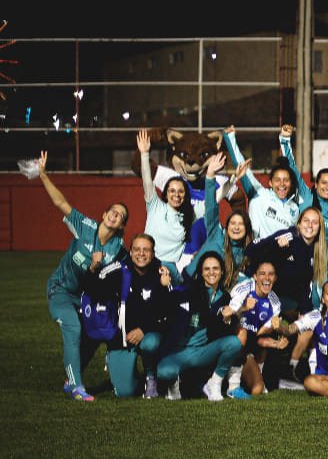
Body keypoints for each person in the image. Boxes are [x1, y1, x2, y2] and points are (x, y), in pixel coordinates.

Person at [38, 151, 130, 401]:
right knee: (73, 329)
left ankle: (72, 378)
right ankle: (76, 386)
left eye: (121, 215)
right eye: (113, 211)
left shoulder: (118, 250)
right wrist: (43, 175)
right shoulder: (84, 225)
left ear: (121, 226)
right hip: (62, 292)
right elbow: (60, 202)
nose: (115, 214)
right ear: (104, 215)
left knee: (92, 334)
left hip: (86, 298)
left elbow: (129, 273)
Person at [81, 234, 176, 398]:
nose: (141, 254)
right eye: (137, 249)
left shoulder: (161, 273)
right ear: (130, 252)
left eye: (146, 250)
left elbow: (168, 311)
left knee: (150, 344)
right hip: (122, 339)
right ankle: (125, 370)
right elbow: (92, 288)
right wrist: (92, 268)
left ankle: (151, 377)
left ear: (153, 253)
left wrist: (143, 329)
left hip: (148, 334)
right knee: (126, 392)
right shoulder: (118, 270)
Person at [156, 252, 244, 401]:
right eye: (207, 269)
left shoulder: (225, 296)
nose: (211, 272)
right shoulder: (190, 290)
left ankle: (214, 384)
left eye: (215, 268)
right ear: (201, 272)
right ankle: (173, 384)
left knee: (234, 343)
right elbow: (173, 300)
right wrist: (165, 287)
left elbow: (221, 330)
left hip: (203, 351)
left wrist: (229, 319)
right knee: (165, 372)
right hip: (179, 350)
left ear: (222, 271)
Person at [222, 124, 314, 241]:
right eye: (277, 180)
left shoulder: (295, 209)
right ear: (270, 183)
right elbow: (241, 166)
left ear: (291, 183)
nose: (282, 184)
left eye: (286, 180)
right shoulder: (259, 194)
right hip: (257, 256)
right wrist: (230, 138)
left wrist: (285, 140)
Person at [137, 128, 195, 278]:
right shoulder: (155, 205)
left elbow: (213, 202)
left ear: (185, 194)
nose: (176, 195)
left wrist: (232, 180)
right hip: (147, 263)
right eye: (172, 191)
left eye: (180, 191)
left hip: (170, 270)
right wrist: (144, 154)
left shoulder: (190, 214)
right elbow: (147, 181)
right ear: (166, 193)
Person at [221, 260, 285, 398]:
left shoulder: (275, 303)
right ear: (255, 276)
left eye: (271, 274)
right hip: (228, 342)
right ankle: (232, 386)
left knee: (257, 390)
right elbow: (227, 317)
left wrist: (276, 340)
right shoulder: (243, 289)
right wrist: (244, 308)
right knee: (241, 333)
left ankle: (257, 376)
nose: (267, 278)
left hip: (247, 348)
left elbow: (259, 336)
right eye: (262, 274)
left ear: (275, 278)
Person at [187, 156, 252, 290]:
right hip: (189, 284)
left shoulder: (245, 252)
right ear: (226, 226)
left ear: (247, 229)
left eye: (240, 224)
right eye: (233, 223)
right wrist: (210, 176)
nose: (236, 227)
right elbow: (211, 206)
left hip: (217, 296)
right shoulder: (216, 234)